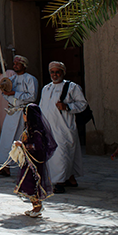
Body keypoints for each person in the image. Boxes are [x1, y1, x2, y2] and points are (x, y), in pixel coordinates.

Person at [40, 61, 88, 193]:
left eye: (57, 72)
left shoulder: (72, 87)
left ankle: (59, 182)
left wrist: (67, 107)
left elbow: (82, 104)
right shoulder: (46, 88)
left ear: (63, 72)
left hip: (64, 127)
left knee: (61, 154)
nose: (55, 75)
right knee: (55, 155)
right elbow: (42, 107)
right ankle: (70, 178)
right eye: (52, 72)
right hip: (49, 126)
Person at [0, 55, 37, 177]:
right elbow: (5, 94)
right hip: (12, 112)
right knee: (6, 139)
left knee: (23, 140)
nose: (15, 66)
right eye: (14, 64)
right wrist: (8, 94)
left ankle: (25, 167)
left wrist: (15, 93)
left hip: (24, 113)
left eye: (18, 63)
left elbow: (32, 96)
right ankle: (4, 166)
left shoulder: (30, 79)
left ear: (24, 65)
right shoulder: (11, 79)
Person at [12, 104, 57, 218]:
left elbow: (37, 146)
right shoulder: (31, 129)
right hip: (29, 161)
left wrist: (22, 145)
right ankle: (35, 206)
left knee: (31, 183)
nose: (23, 116)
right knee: (28, 182)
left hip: (34, 162)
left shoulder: (37, 131)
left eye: (24, 114)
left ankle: (37, 206)